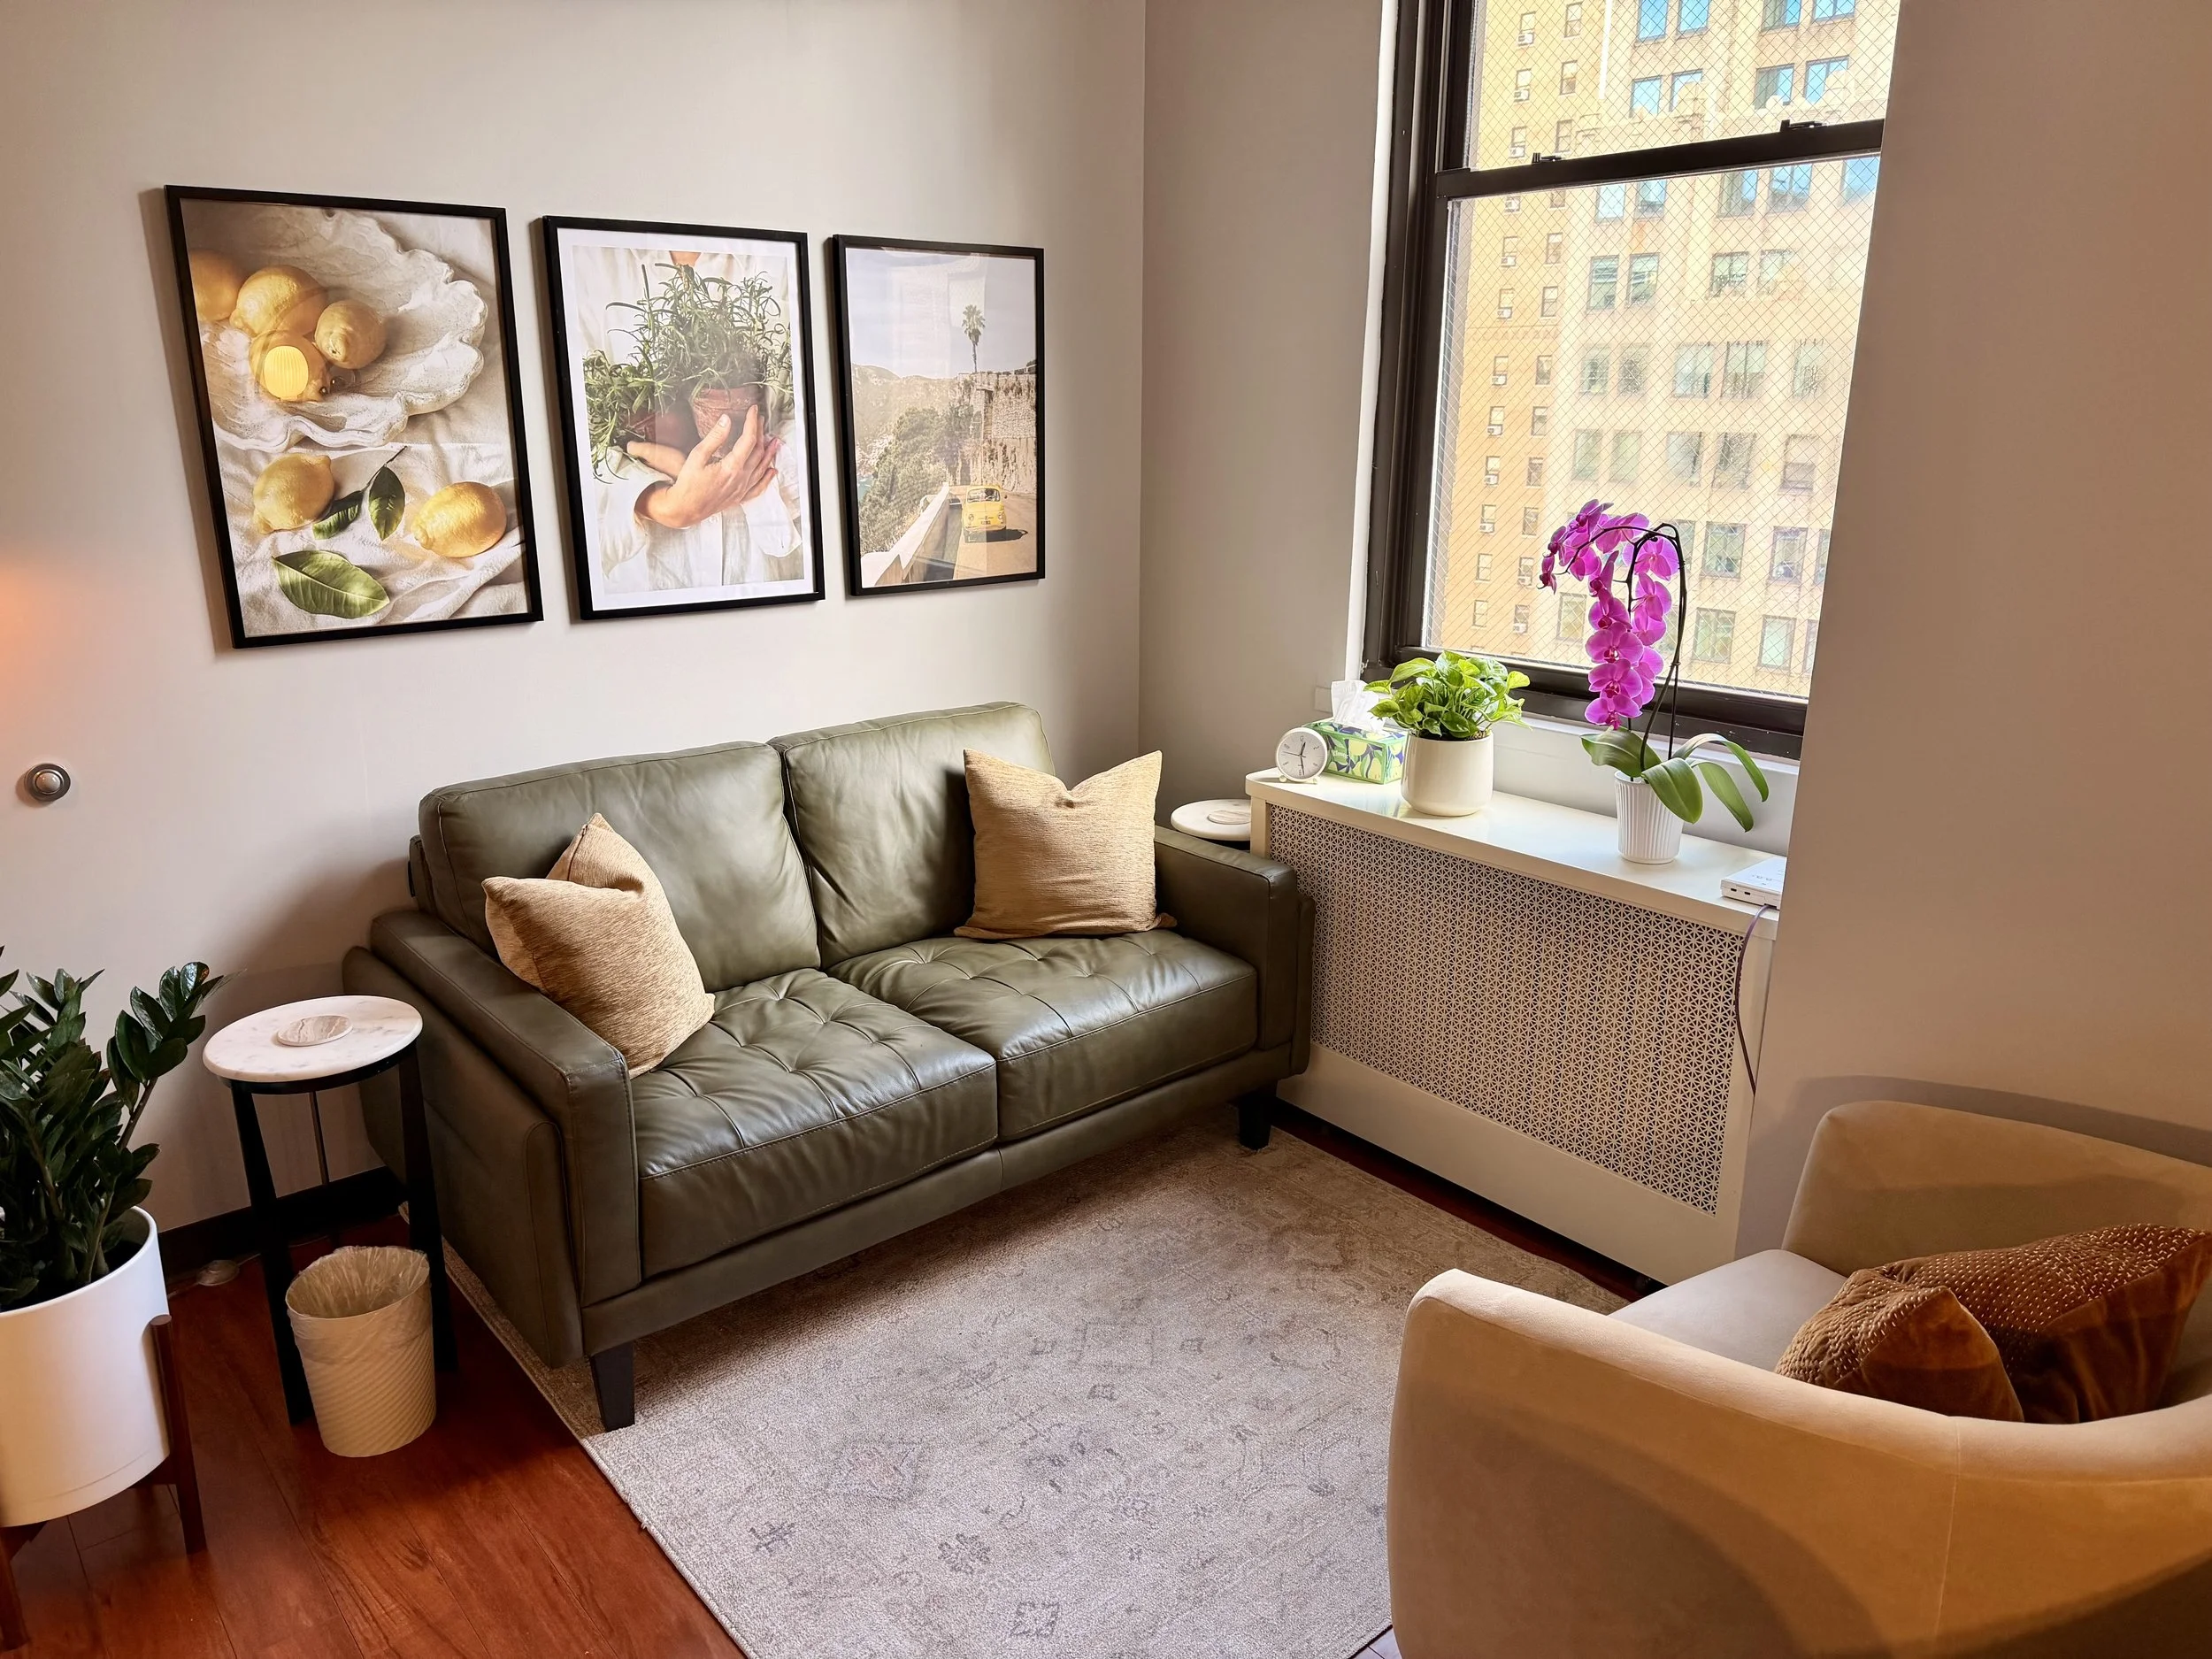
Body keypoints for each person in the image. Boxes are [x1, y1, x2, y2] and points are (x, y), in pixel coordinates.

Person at [572, 244, 809, 598]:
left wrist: (745, 480)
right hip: (645, 584)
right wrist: (662, 504)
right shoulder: (587, 261)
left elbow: (817, 415)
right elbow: (574, 434)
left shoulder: (779, 258)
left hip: (765, 581)